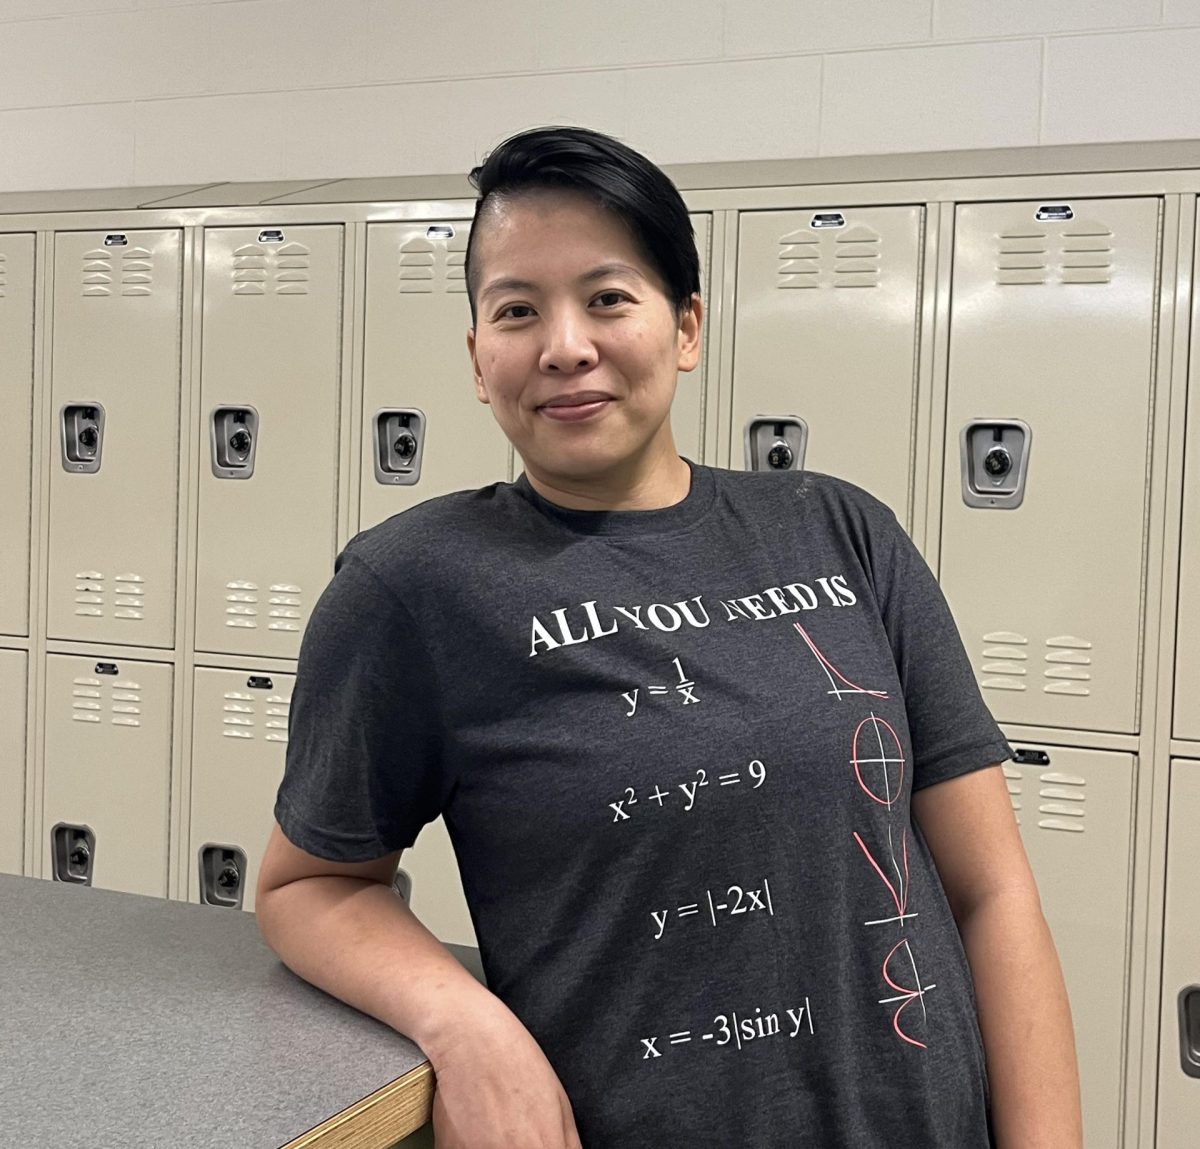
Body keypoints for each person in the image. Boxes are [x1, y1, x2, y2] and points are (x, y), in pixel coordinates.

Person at [256, 126, 1083, 1148]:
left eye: (608, 297)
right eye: (517, 310)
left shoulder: (839, 531)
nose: (565, 345)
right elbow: (309, 885)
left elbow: (991, 890)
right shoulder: (414, 587)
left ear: (686, 327)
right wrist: (465, 1024)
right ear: (478, 358)